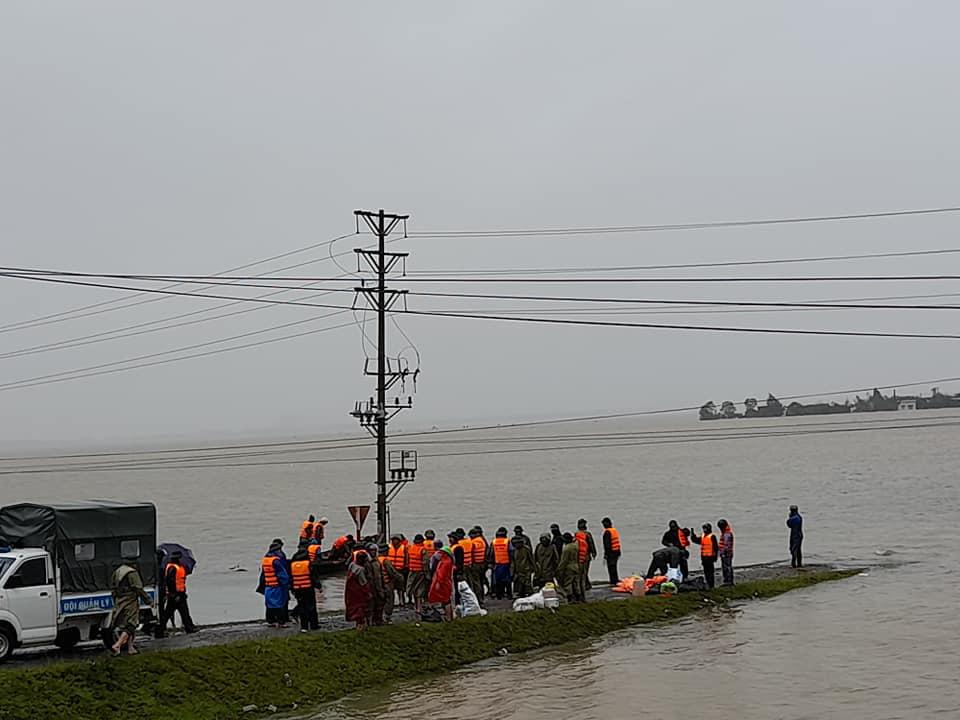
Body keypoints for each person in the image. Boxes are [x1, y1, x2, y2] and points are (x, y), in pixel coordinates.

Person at [109, 555, 155, 656]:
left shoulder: (118, 571)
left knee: (126, 624)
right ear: (133, 564)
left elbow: (112, 587)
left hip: (119, 600)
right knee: (131, 624)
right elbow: (138, 588)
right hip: (130, 600)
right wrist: (148, 601)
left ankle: (131, 648)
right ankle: (117, 645)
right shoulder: (131, 573)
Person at [156, 551, 196, 637]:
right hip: (175, 595)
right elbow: (170, 581)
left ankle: (189, 627)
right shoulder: (172, 568)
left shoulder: (177, 566)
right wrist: (174, 594)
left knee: (182, 612)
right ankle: (160, 630)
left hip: (179, 594)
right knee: (171, 613)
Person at [258, 539, 291, 627]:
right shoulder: (277, 559)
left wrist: (261, 586)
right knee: (280, 603)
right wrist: (287, 583)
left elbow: (263, 575)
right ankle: (281, 622)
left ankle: (270, 620)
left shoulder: (265, 559)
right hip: (278, 586)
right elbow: (282, 574)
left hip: (268, 586)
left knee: (269, 604)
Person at [290, 545, 319, 631]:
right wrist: (318, 586)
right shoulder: (308, 564)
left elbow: (291, 578)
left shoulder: (293, 565)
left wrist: (292, 589)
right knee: (311, 607)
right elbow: (313, 576)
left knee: (302, 607)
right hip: (308, 588)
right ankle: (314, 625)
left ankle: (304, 627)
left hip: (298, 589)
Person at [377, 541, 406, 624]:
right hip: (387, 583)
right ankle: (387, 618)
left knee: (380, 601)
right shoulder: (386, 561)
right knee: (389, 600)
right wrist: (400, 578)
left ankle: (378, 617)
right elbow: (392, 572)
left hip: (379, 584)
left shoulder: (376, 560)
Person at [344, 550, 373, 630]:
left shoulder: (351, 565)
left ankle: (358, 624)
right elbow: (364, 584)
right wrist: (369, 593)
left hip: (349, 590)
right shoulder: (360, 570)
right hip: (358, 592)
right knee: (360, 608)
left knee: (352, 606)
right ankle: (360, 625)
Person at [428, 540, 456, 621]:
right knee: (447, 600)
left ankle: (448, 617)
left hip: (443, 583)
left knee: (446, 600)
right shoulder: (448, 561)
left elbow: (441, 574)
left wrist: (438, 583)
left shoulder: (445, 562)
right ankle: (450, 616)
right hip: (447, 582)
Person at [364, 543, 388, 626]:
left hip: (379, 585)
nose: (373, 552)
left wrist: (383, 586)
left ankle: (378, 620)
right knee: (371, 606)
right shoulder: (367, 563)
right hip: (371, 587)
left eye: (374, 550)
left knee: (380, 604)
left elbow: (380, 575)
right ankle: (370, 621)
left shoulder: (377, 561)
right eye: (371, 550)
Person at [690, 524, 718, 589]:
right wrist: (692, 535)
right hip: (704, 558)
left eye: (706, 528)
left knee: (710, 572)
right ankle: (708, 584)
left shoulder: (712, 536)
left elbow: (716, 548)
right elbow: (696, 540)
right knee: (706, 572)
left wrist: (715, 557)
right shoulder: (703, 536)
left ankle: (711, 585)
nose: (704, 530)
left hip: (710, 557)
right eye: (704, 528)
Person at [406, 534, 430, 614]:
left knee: (412, 588)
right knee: (420, 590)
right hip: (420, 572)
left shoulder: (411, 548)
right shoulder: (423, 550)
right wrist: (427, 573)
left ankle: (415, 606)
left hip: (412, 571)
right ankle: (419, 608)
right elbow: (425, 562)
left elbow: (407, 559)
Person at [556, 532, 583, 602]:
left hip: (569, 567)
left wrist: (559, 570)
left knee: (568, 583)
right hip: (576, 566)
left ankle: (570, 598)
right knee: (576, 583)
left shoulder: (566, 549)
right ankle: (578, 597)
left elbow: (564, 561)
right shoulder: (576, 546)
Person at [489, 527, 513, 600]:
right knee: (507, 581)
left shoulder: (494, 542)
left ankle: (499, 595)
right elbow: (511, 551)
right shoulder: (507, 541)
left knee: (498, 581)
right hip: (506, 563)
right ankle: (509, 595)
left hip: (497, 564)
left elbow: (491, 553)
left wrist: (491, 563)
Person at [386, 534, 408, 609]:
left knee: (400, 587)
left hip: (400, 570)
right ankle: (391, 602)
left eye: (396, 539)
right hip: (391, 570)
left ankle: (401, 601)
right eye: (393, 539)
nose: (394, 541)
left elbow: (407, 558)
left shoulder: (404, 548)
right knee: (391, 587)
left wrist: (406, 567)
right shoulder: (389, 547)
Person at [575, 519, 596, 593]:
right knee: (583, 571)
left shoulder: (578, 534)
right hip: (583, 555)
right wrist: (594, 552)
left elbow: (591, 544)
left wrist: (593, 552)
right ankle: (586, 584)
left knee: (583, 571)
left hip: (582, 555)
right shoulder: (586, 534)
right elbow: (591, 544)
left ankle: (586, 585)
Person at [470, 527, 488, 605]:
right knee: (481, 581)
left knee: (476, 583)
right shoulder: (482, 541)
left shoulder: (473, 542)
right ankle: (482, 597)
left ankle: (479, 599)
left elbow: (471, 553)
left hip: (475, 564)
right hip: (482, 563)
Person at [601, 517, 622, 585]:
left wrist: (606, 554)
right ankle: (615, 580)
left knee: (611, 567)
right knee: (614, 567)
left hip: (611, 552)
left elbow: (607, 545)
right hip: (616, 551)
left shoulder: (607, 532)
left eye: (604, 524)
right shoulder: (614, 530)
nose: (603, 526)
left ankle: (613, 581)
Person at [717, 519, 734, 586]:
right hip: (726, 553)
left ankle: (728, 581)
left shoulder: (726, 534)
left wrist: (723, 553)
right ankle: (727, 580)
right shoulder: (726, 532)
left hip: (726, 554)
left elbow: (726, 545)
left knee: (727, 567)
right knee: (726, 567)